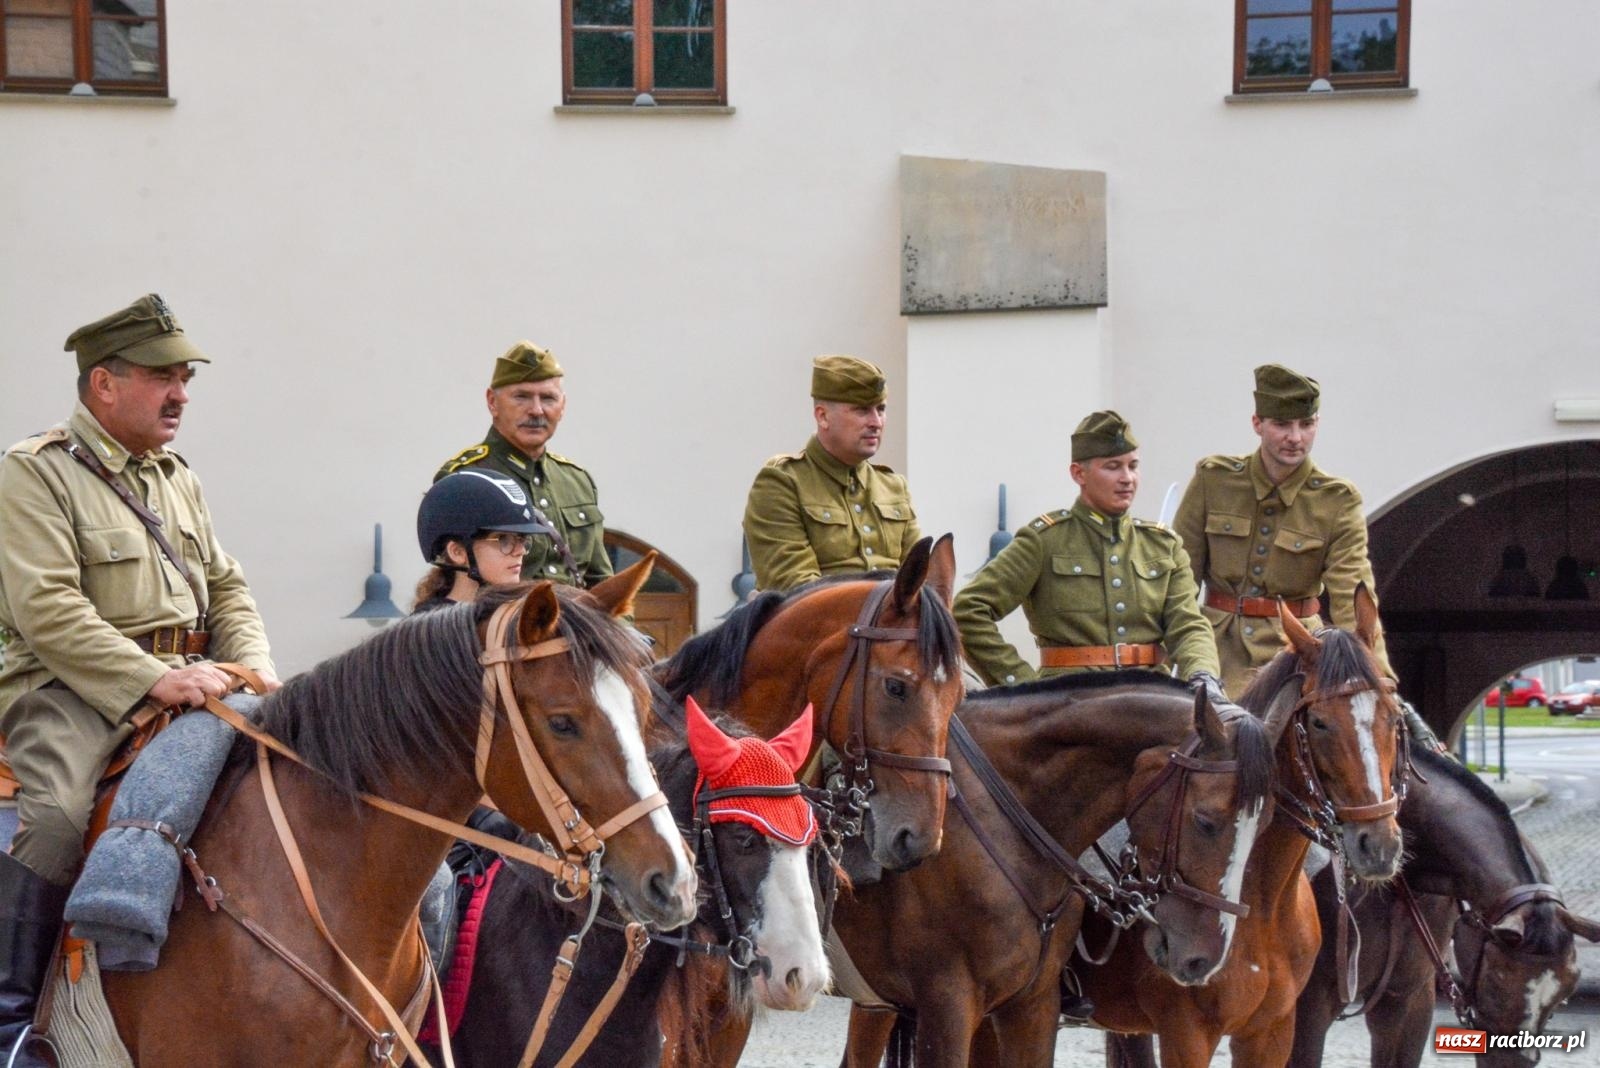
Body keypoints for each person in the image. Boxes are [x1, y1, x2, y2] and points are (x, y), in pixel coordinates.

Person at [0, 294, 278, 1062]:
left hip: (199, 681)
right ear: (104, 385)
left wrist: (254, 665)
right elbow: (47, 609)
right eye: (163, 376)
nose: (181, 394)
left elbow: (227, 585)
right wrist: (153, 680)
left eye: (185, 377)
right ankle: (13, 1019)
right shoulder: (34, 474)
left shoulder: (176, 477)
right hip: (71, 693)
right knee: (55, 817)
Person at [953, 411, 1221, 690]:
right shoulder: (1044, 540)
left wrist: (1203, 675)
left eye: (1133, 466)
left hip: (1152, 696)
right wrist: (1023, 685)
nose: (1127, 478)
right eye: (1113, 466)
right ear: (1079, 473)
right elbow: (968, 611)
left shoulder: (1164, 545)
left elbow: (1188, 624)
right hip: (1070, 702)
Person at [1173, 364, 1394, 698]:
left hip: (1296, 656)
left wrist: (1377, 675)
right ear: (1257, 424)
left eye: (1306, 425)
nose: (1295, 437)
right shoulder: (1213, 481)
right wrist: (1168, 657)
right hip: (1215, 651)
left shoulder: (1336, 500)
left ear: (1317, 425)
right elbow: (1179, 579)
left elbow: (1353, 590)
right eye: (1282, 425)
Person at [434, 341, 612, 588]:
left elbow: (601, 581)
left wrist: (618, 628)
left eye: (548, 398)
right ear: (492, 402)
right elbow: (458, 584)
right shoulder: (466, 478)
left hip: (577, 623)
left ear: (563, 406)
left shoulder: (576, 481)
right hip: (500, 622)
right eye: (522, 396)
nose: (537, 410)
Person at [742, 355, 922, 593]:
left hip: (893, 626)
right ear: (822, 416)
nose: (876, 422)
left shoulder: (894, 487)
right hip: (816, 627)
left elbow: (920, 577)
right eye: (862, 410)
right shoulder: (782, 483)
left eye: (881, 409)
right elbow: (796, 588)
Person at [413, 470, 551, 612]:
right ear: (458, 552)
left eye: (522, 539)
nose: (520, 550)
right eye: (503, 539)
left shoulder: (521, 616)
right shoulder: (428, 630)